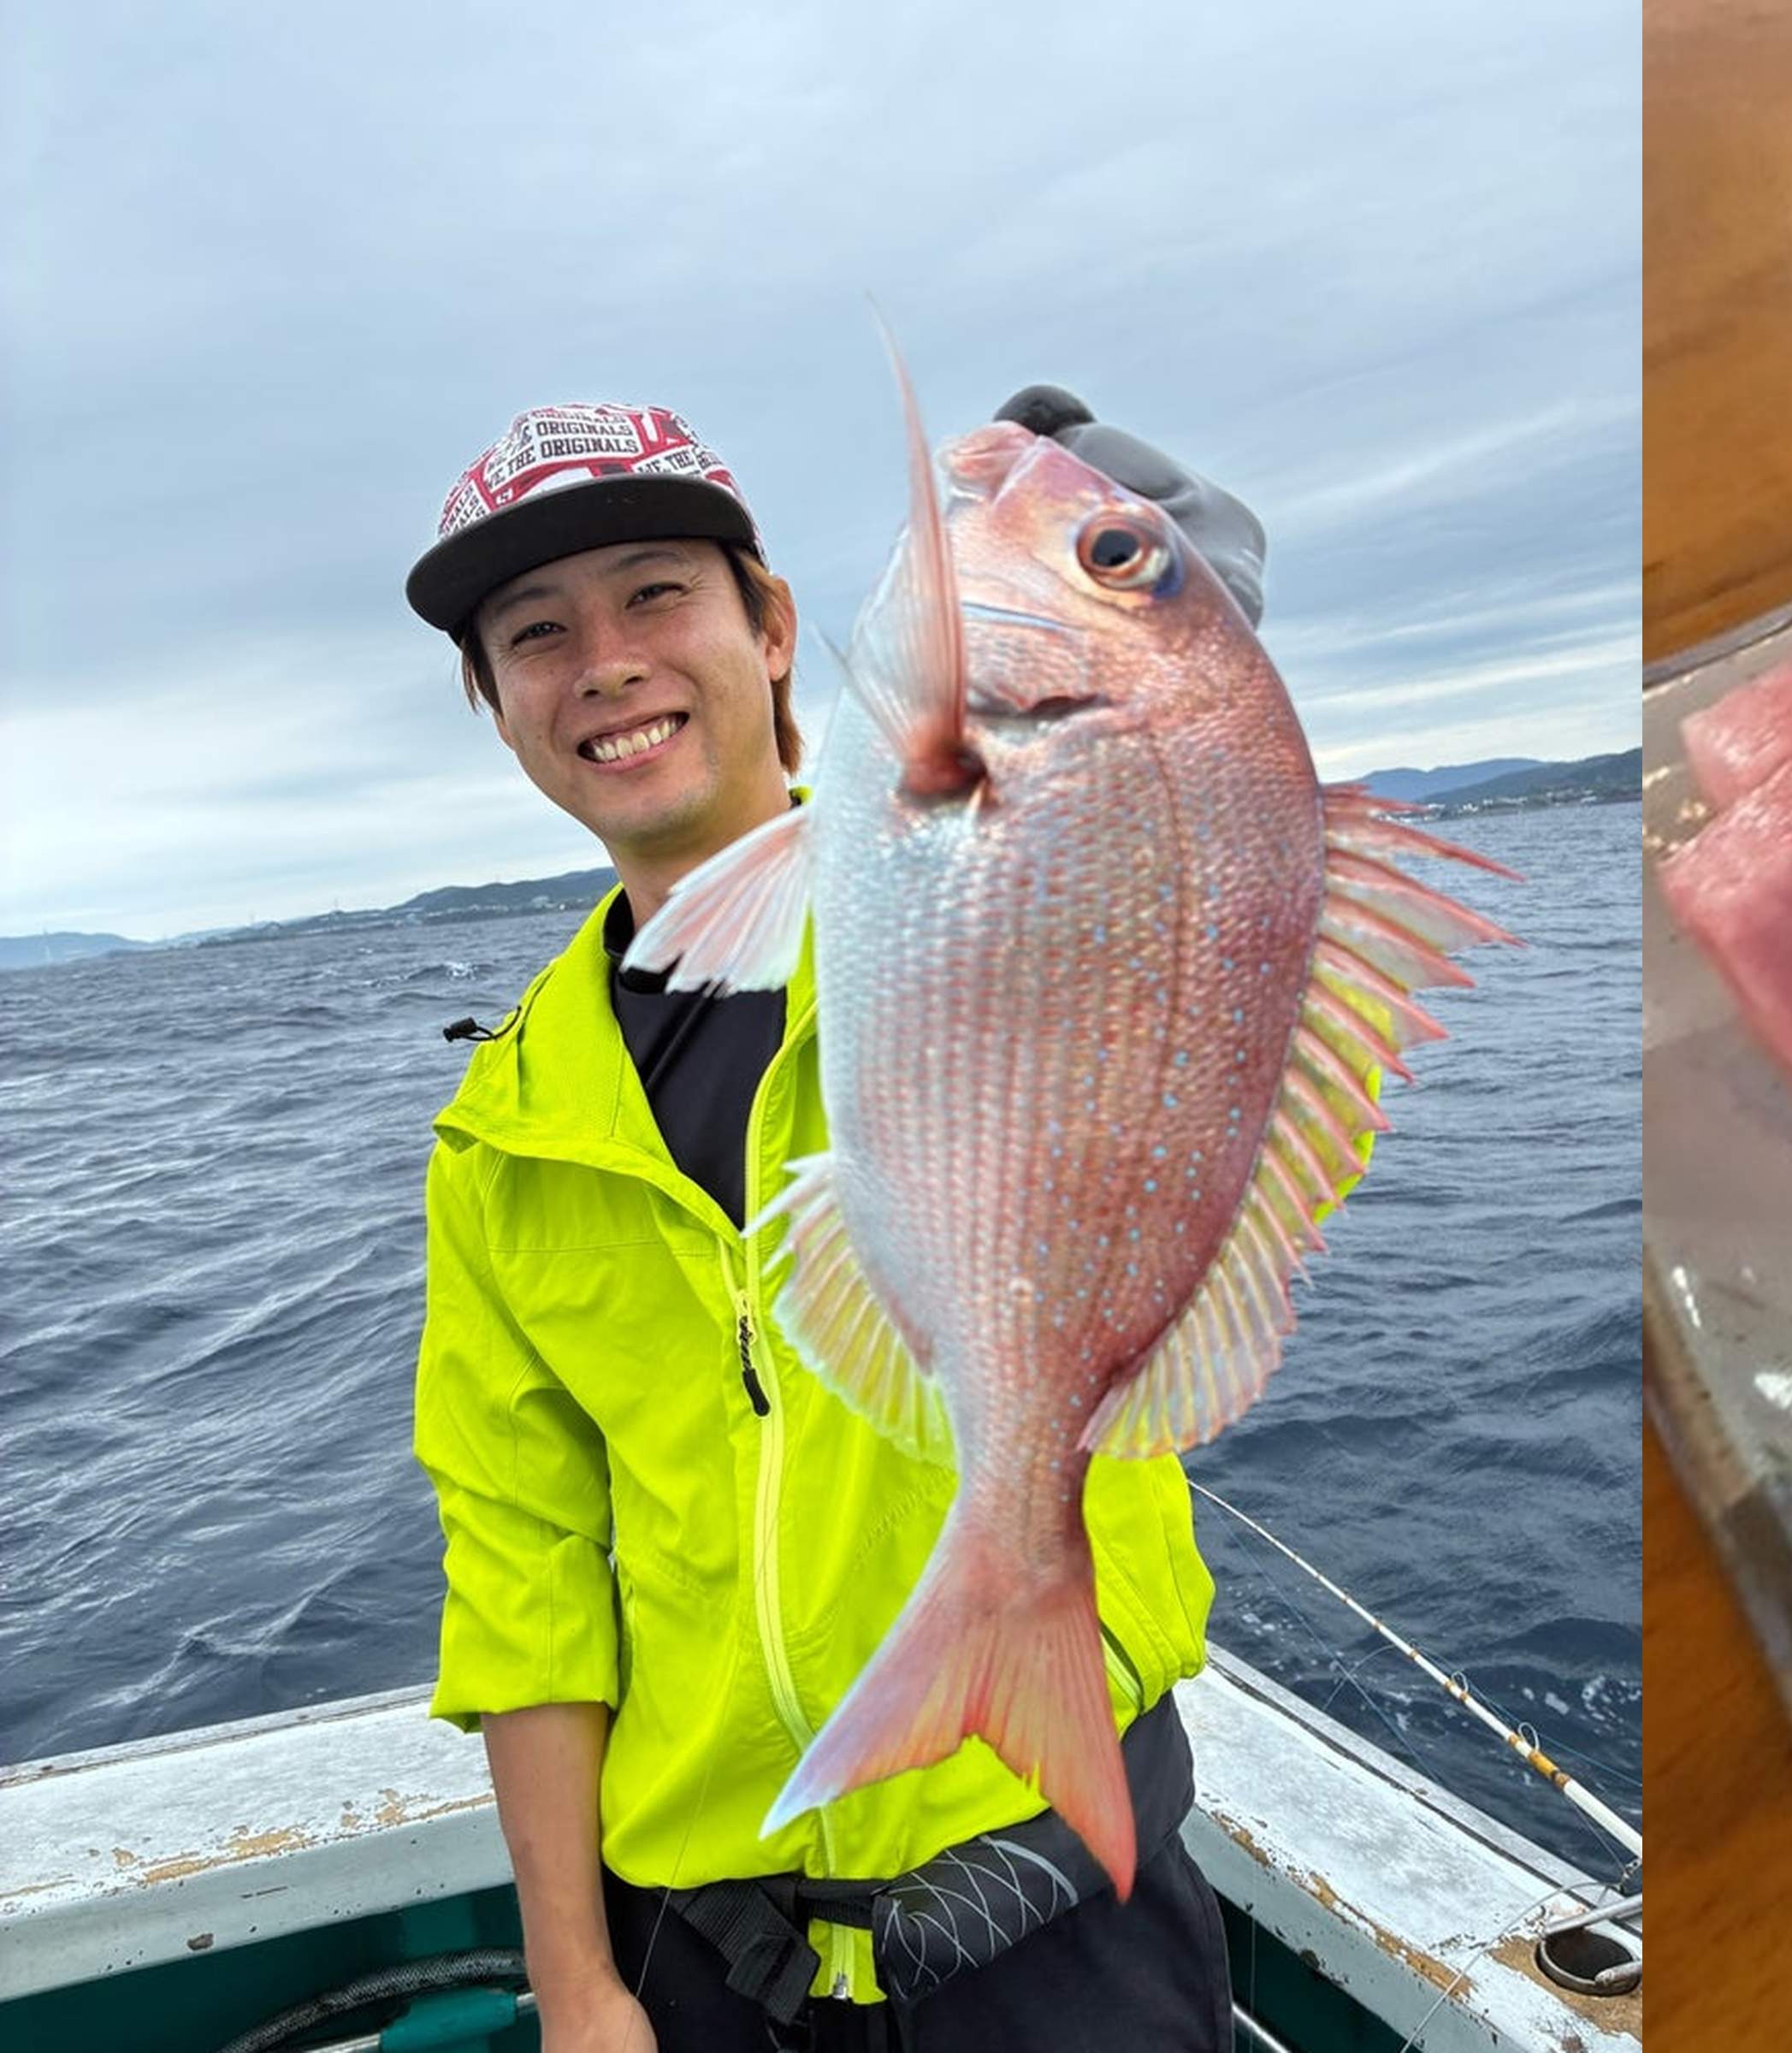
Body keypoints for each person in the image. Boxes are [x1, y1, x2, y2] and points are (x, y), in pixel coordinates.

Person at [404, 389, 1268, 2053]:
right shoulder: (503, 1134)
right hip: (704, 1971)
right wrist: (577, 1987)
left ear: (778, 626)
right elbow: (522, 1580)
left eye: (657, 593)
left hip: (1058, 1909)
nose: (605, 661)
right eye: (536, 633)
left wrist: (1165, 615)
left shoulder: (967, 885)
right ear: (497, 705)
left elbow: (1155, 881)